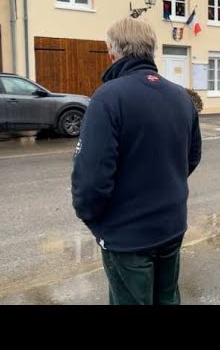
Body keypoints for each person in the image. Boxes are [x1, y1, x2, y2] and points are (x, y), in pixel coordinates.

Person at [71, 17, 202, 305]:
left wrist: (93, 218)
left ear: (112, 53)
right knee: (167, 298)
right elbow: (191, 158)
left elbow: (91, 178)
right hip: (171, 226)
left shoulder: (108, 98)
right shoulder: (181, 97)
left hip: (126, 235)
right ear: (151, 51)